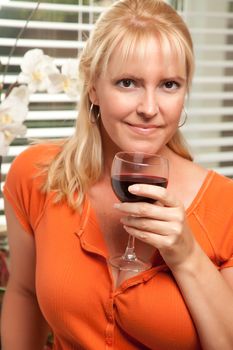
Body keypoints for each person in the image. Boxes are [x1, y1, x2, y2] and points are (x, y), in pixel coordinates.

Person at [1, 0, 233, 349]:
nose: (150, 109)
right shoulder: (36, 175)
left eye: (169, 85)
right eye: (128, 83)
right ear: (93, 87)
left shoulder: (225, 205)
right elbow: (24, 293)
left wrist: (186, 256)